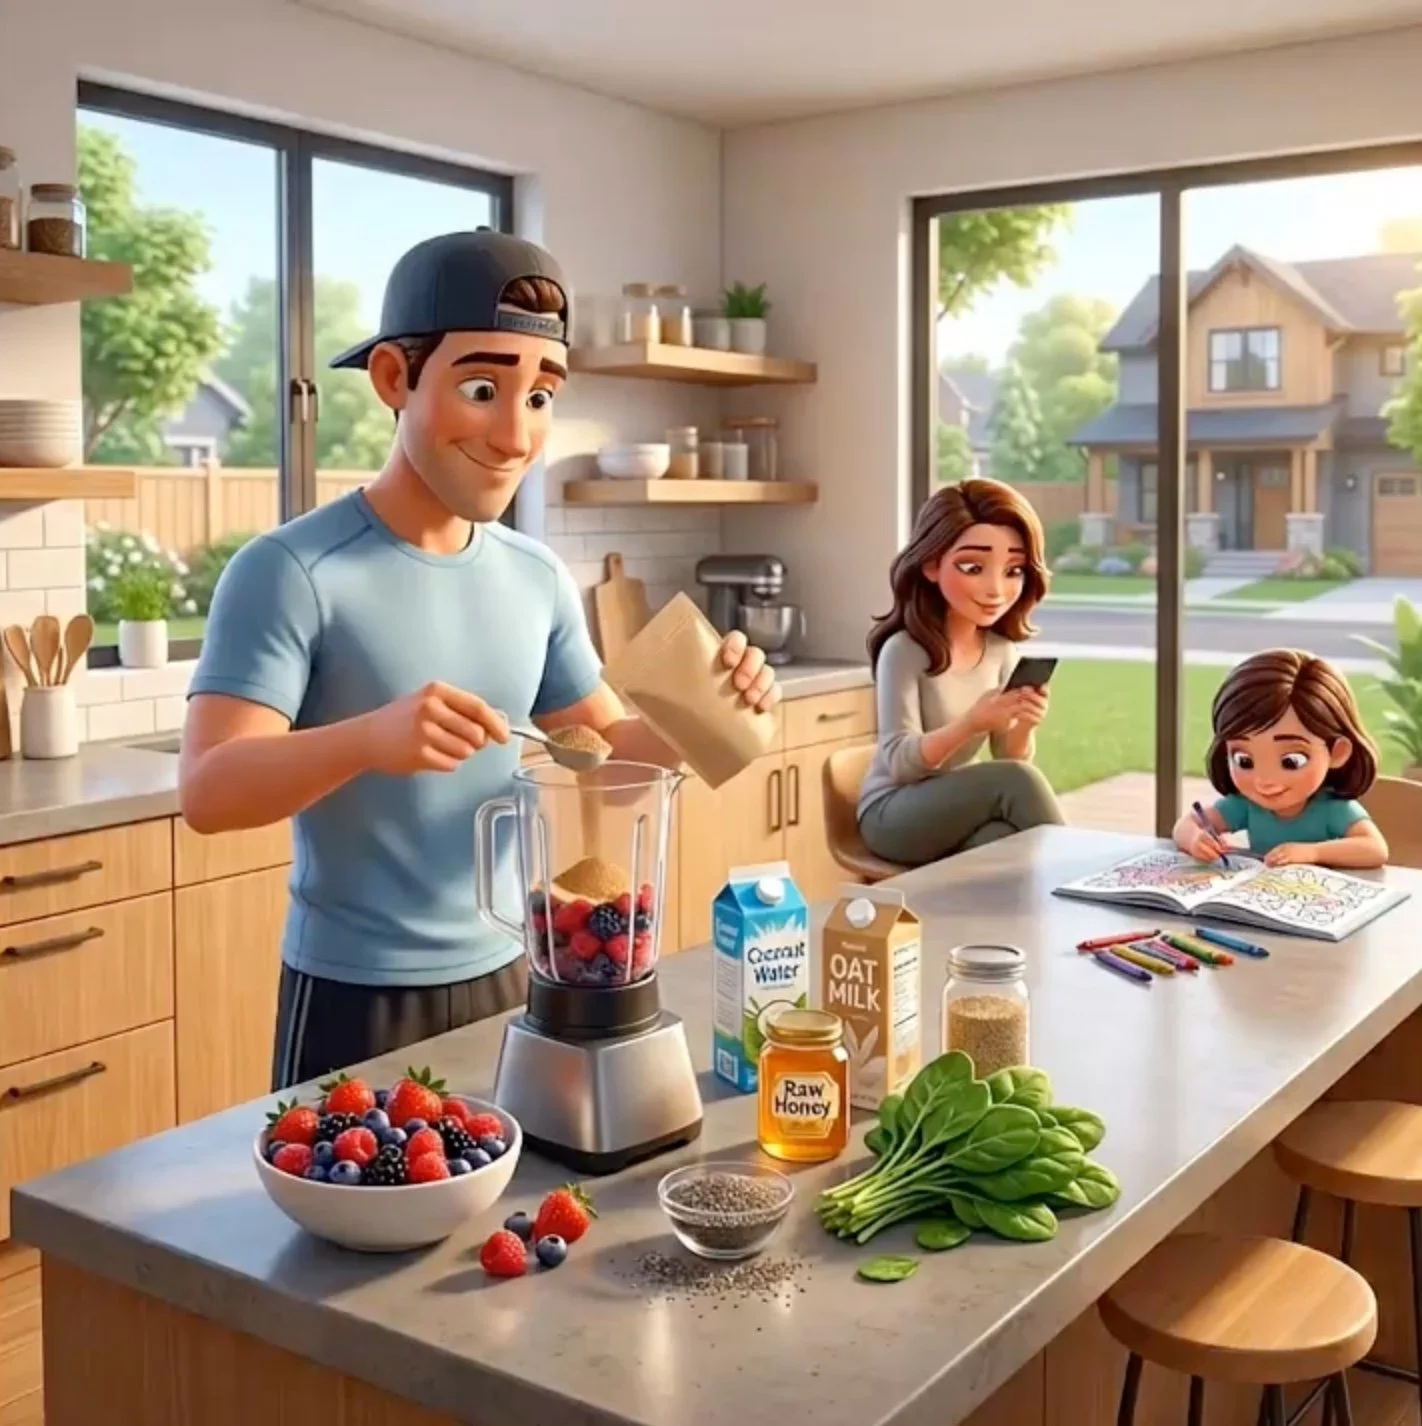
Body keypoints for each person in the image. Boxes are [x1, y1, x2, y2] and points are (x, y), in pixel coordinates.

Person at [179, 230, 780, 1090]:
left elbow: (606, 751)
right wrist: (368, 740)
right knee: (359, 1218)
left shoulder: (533, 576)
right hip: (357, 993)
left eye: (540, 396)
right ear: (396, 379)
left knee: (512, 1215)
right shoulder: (290, 572)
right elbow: (208, 789)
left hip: (521, 976)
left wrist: (712, 710)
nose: (513, 433)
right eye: (483, 388)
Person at [857, 478, 1064, 866]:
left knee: (1004, 841)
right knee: (1015, 784)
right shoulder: (903, 650)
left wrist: (1023, 726)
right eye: (973, 567)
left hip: (953, 815)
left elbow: (1009, 757)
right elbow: (900, 763)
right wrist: (971, 723)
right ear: (933, 565)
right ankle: (1081, 889)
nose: (995, 589)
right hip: (891, 814)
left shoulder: (1002, 651)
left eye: (1014, 570)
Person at [1173, 648, 1388, 869]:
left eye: (1291, 762)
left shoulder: (1333, 809)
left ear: (1337, 752)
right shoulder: (1245, 806)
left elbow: (1375, 849)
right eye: (1245, 761)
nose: (1265, 780)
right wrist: (1196, 839)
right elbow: (1185, 825)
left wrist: (1311, 852)